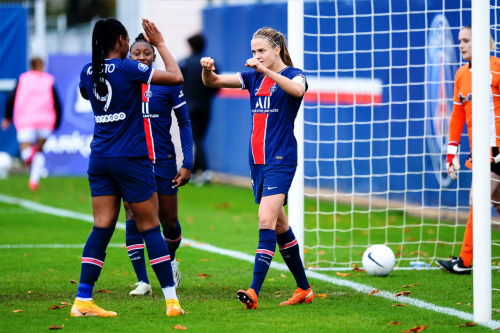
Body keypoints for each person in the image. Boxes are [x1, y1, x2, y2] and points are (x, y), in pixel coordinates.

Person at [70, 17, 185, 318]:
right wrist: (159, 43)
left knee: (101, 227)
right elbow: (176, 77)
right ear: (122, 41)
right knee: (150, 227)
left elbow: (87, 93)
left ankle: (83, 300)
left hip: (99, 158)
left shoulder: (87, 71)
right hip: (131, 158)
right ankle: (171, 302)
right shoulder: (129, 68)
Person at [200, 27, 314, 309]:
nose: (256, 56)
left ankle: (253, 291)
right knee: (279, 224)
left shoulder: (292, 75)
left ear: (277, 49)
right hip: (257, 162)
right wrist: (207, 69)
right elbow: (212, 82)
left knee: (265, 220)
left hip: (281, 160)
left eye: (261, 50)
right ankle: (304, 288)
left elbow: (298, 90)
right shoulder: (252, 77)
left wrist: (265, 71)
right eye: (253, 52)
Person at [125, 33, 193, 296]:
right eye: (136, 53)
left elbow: (184, 123)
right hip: (132, 162)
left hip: (163, 161)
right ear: (129, 56)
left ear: (154, 57)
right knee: (132, 215)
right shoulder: (124, 83)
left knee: (169, 222)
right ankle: (143, 281)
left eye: (146, 53)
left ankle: (171, 259)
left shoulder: (167, 83)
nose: (142, 57)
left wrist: (187, 162)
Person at [437, 25, 500, 275]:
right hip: (480, 148)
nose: (461, 45)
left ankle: (464, 261)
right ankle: (465, 260)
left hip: (496, 147)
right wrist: (451, 153)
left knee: (478, 198)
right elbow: (457, 115)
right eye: (460, 41)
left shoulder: (496, 68)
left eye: (467, 40)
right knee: (496, 203)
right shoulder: (461, 74)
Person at [1, 57, 62, 191]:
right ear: (42, 66)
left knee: (26, 153)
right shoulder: (49, 80)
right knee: (39, 152)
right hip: (46, 121)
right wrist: (57, 122)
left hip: (26, 120)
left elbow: (11, 97)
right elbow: (57, 102)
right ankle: (34, 181)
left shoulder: (23, 79)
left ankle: (32, 161)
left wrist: (7, 116)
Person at [179, 33, 219, 185]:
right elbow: (216, 85)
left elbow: (178, 84)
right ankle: (196, 172)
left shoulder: (185, 63)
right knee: (200, 138)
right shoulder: (211, 64)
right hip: (206, 107)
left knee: (197, 139)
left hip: (189, 107)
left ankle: (205, 171)